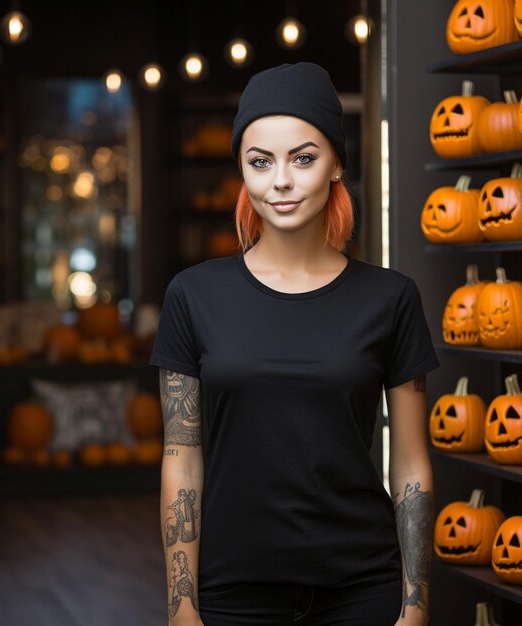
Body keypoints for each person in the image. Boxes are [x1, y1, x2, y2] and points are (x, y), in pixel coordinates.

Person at [150, 62, 440, 626]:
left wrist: (415, 606)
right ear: (242, 169)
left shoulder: (391, 299)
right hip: (231, 592)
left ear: (336, 164)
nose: (280, 180)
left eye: (303, 158)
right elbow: (181, 462)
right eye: (261, 162)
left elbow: (409, 464)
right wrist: (180, 608)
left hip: (362, 589)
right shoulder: (192, 296)